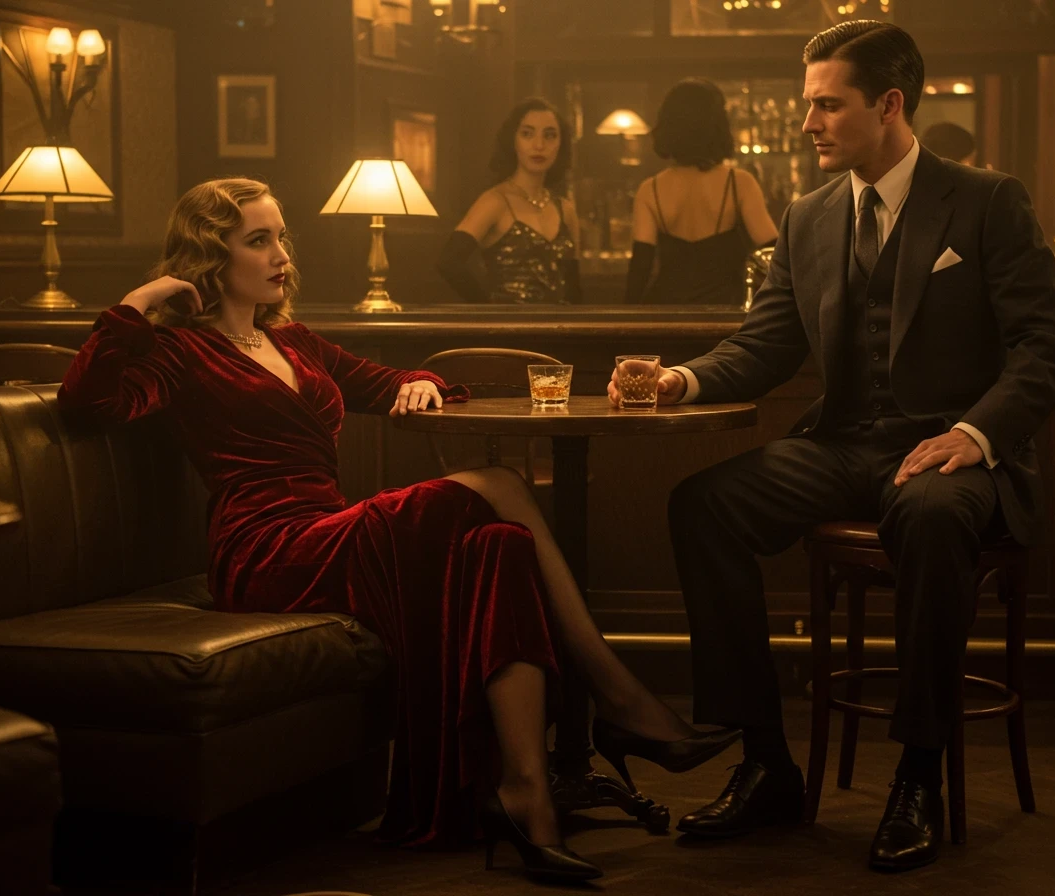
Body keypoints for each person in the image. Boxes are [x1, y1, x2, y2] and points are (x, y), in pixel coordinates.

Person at [58, 177, 737, 881]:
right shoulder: (181, 353)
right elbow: (88, 402)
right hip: (265, 550)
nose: (280, 253)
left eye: (281, 235)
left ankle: (524, 796)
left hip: (328, 529)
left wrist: (423, 383)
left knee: (501, 545)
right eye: (257, 240)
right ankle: (619, 695)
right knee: (500, 484)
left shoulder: (294, 341)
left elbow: (392, 381)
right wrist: (141, 303)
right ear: (209, 257)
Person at [607, 21, 1055, 870]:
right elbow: (767, 345)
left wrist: (975, 435)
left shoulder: (984, 199)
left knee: (933, 519)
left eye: (828, 105)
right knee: (703, 506)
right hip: (843, 447)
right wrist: (684, 379)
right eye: (808, 105)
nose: (810, 122)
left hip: (949, 453)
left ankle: (919, 776)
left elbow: (1049, 344)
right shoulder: (809, 214)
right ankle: (764, 763)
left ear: (890, 104)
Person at [625, 78, 779, 304]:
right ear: (718, 126)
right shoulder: (739, 183)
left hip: (666, 312)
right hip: (724, 312)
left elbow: (640, 267)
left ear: (667, 127)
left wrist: (625, 319)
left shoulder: (650, 190)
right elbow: (773, 254)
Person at [438, 98, 581, 304]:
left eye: (550, 135)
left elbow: (574, 288)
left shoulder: (565, 210)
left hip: (559, 330)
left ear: (561, 144)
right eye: (527, 134)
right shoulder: (495, 202)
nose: (539, 145)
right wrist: (488, 309)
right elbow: (448, 262)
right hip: (510, 330)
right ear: (512, 140)